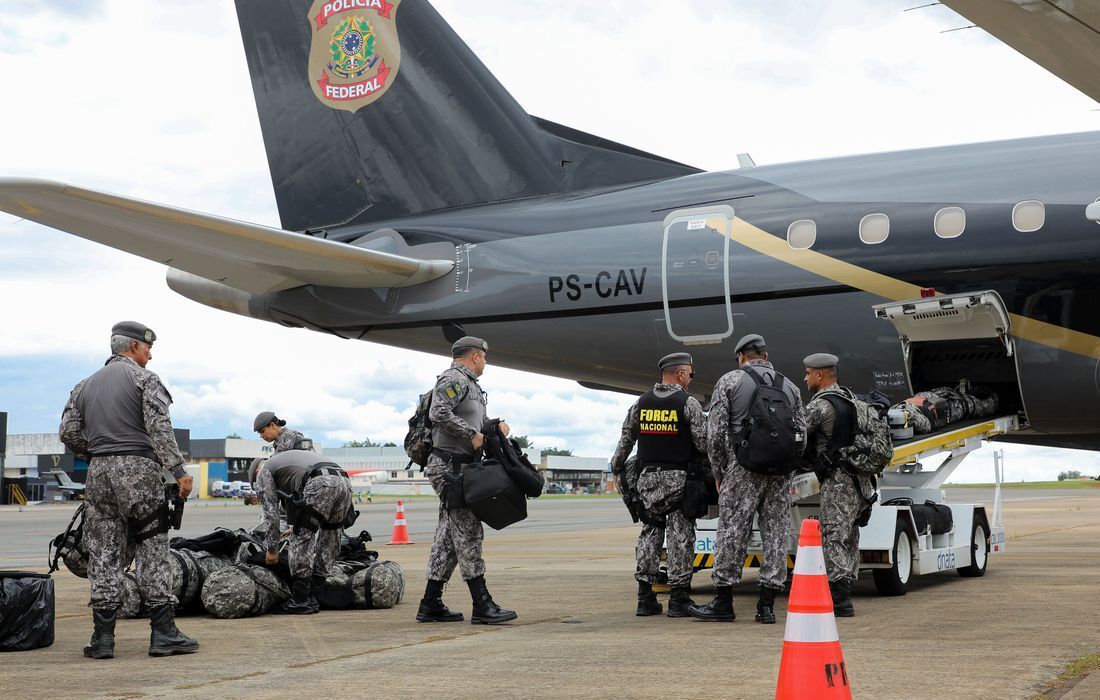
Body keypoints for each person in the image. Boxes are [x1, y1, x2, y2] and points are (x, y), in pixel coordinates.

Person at [59, 321, 198, 659]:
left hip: (99, 473)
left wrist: (97, 453)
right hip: (139, 468)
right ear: (134, 346)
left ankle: (102, 639)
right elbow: (159, 427)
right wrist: (178, 470)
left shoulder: (82, 386)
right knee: (153, 547)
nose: (150, 355)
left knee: (104, 554)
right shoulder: (144, 379)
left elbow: (68, 432)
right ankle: (163, 633)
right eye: (148, 348)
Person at [689, 334, 806, 624]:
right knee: (777, 535)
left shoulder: (729, 381)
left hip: (742, 470)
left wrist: (719, 472)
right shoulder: (789, 386)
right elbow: (801, 435)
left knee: (731, 533)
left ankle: (724, 603)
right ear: (765, 356)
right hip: (778, 473)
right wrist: (788, 469)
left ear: (741, 356)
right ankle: (766, 606)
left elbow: (714, 434)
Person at [417, 336, 516, 625]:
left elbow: (472, 423)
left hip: (460, 467)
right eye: (484, 357)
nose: (486, 362)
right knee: (469, 533)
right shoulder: (454, 379)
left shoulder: (471, 385)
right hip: (449, 468)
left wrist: (492, 426)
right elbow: (439, 413)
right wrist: (469, 433)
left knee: (448, 538)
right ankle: (482, 604)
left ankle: (430, 602)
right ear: (475, 356)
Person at [610, 353, 710, 618]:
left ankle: (645, 597)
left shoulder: (641, 403)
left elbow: (625, 441)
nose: (690, 378)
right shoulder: (687, 403)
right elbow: (703, 443)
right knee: (680, 537)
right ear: (679, 374)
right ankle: (678, 599)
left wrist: (617, 467)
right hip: (678, 481)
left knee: (650, 533)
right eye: (690, 373)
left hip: (647, 480)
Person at [803, 352, 870, 617]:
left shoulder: (821, 405)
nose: (805, 378)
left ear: (820, 375)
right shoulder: (853, 401)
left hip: (838, 480)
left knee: (833, 537)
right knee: (850, 535)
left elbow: (797, 434)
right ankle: (847, 589)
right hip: (859, 480)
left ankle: (840, 601)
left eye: (808, 373)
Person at [255, 449, 354, 614]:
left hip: (320, 482)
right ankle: (314, 595)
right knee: (331, 535)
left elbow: (271, 515)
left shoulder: (264, 473)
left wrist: (272, 549)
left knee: (302, 538)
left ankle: (300, 600)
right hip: (344, 481)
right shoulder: (285, 464)